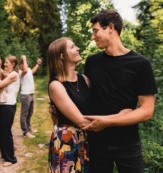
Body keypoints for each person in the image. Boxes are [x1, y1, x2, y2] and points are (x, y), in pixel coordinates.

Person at [83, 9, 158, 173]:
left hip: (128, 144)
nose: (93, 36)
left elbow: (147, 111)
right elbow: (83, 96)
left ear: (110, 27)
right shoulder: (92, 62)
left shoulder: (140, 64)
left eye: (95, 31)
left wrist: (108, 122)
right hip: (97, 144)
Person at [46, 37, 130, 173]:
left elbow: (98, 106)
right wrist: (119, 117)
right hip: (67, 141)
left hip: (88, 140)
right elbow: (82, 121)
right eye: (72, 47)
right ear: (62, 56)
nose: (77, 48)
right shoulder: (56, 86)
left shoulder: (84, 79)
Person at [0, 55, 20, 167]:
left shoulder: (14, 74)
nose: (5, 64)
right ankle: (4, 155)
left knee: (6, 133)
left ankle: (11, 159)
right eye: (4, 62)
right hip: (2, 105)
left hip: (8, 106)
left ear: (13, 64)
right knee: (1, 132)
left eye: (7, 62)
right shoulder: (5, 75)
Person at [19, 55, 42, 138]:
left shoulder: (28, 70)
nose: (23, 65)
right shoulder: (20, 72)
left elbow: (32, 71)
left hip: (31, 94)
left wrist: (38, 64)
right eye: (21, 64)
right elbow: (25, 70)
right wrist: (24, 58)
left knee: (30, 113)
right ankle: (25, 132)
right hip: (25, 95)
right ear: (20, 66)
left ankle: (28, 128)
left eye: (24, 63)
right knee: (24, 114)